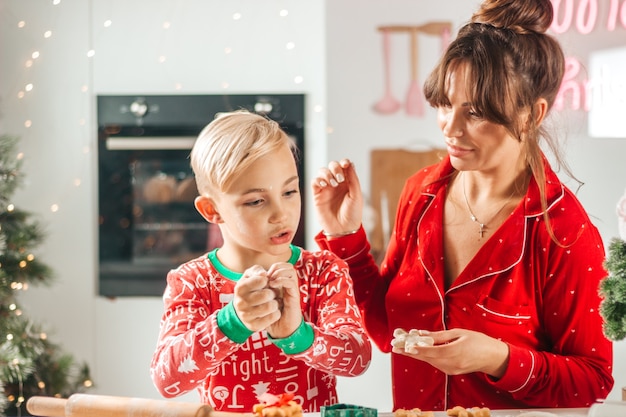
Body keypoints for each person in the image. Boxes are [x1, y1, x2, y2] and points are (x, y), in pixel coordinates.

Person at [312, 0, 614, 412]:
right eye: (444, 104)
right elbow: (388, 332)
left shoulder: (564, 234)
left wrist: (498, 358)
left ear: (531, 115)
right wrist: (345, 236)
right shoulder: (420, 193)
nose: (450, 128)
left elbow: (591, 381)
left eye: (474, 112)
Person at [150, 110, 372, 412]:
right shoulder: (193, 281)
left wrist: (298, 335)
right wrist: (231, 323)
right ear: (211, 210)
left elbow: (357, 358)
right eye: (256, 201)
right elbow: (167, 380)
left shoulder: (323, 271)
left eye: (290, 191)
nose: (281, 214)